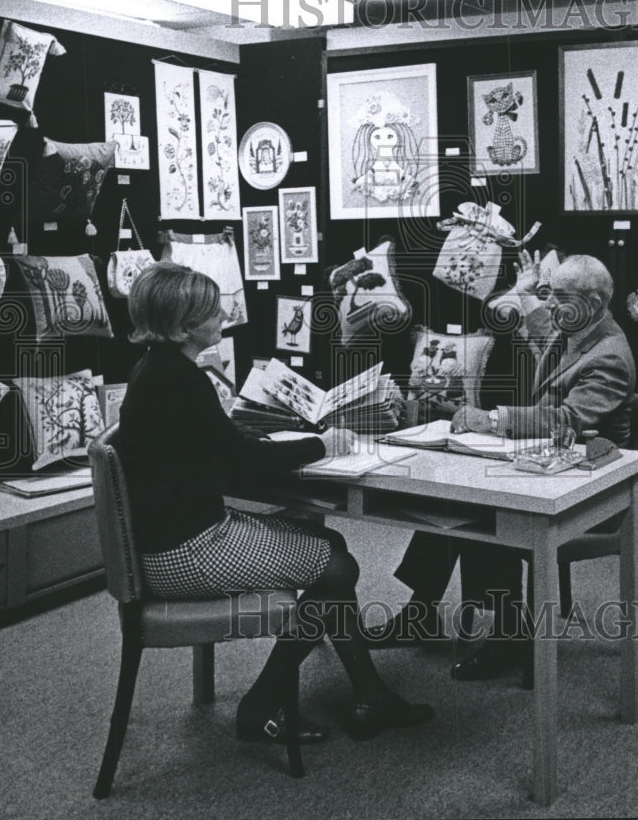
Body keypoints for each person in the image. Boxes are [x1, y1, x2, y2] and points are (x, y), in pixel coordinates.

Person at [115, 262, 433, 743]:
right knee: (337, 567)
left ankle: (370, 694)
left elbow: (212, 447)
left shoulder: (157, 371)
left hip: (168, 541)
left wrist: (245, 437)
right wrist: (323, 444)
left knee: (329, 544)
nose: (222, 314)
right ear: (182, 327)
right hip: (185, 551)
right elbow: (244, 465)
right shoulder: (180, 379)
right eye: (210, 310)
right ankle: (266, 701)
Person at [368, 250, 636, 681]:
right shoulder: (576, 326)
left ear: (591, 303)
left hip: (587, 490)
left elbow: (567, 420)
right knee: (450, 501)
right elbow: (539, 321)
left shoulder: (611, 355)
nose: (549, 305)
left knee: (483, 516)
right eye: (548, 295)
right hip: (543, 465)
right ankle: (421, 613)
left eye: (558, 296)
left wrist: (492, 419)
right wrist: (528, 290)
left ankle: (509, 636)